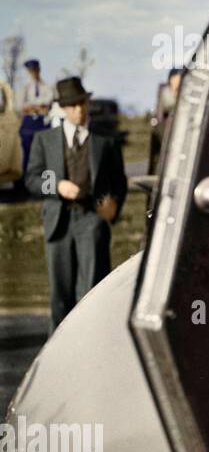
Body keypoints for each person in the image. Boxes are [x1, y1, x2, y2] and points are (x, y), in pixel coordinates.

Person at [25, 77, 128, 332]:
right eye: (71, 105)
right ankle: (56, 359)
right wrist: (57, 186)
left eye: (81, 103)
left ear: (87, 102)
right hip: (58, 224)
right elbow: (33, 178)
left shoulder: (104, 141)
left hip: (91, 221)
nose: (78, 110)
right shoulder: (45, 140)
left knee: (92, 293)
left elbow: (119, 183)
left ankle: (92, 348)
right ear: (62, 108)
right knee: (59, 296)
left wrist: (113, 206)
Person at [17, 58, 54, 181]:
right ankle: (25, 180)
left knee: (44, 152)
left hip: (43, 122)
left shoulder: (47, 87)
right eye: (31, 71)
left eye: (35, 70)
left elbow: (48, 103)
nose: (33, 73)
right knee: (25, 151)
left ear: (39, 70)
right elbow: (21, 106)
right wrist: (37, 107)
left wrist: (33, 106)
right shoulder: (25, 88)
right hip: (28, 123)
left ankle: (44, 182)